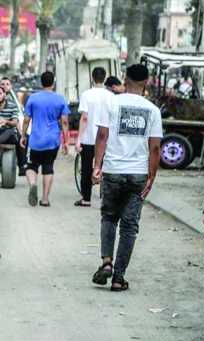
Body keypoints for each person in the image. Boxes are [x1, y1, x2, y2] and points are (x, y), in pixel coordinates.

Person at [91, 64, 162, 292]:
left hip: (113, 170)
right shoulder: (153, 110)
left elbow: (102, 135)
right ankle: (119, 278)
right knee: (130, 227)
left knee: (109, 217)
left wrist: (97, 166)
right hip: (138, 174)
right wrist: (151, 176)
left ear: (125, 79)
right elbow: (155, 148)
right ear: (147, 82)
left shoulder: (111, 102)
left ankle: (106, 262)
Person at [20, 71, 70, 207]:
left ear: (41, 83)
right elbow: (64, 122)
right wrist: (66, 141)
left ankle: (33, 184)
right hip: (52, 140)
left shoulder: (33, 98)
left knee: (31, 166)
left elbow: (26, 120)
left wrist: (23, 135)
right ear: (53, 82)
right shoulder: (60, 99)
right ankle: (45, 199)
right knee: (48, 167)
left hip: (36, 140)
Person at [75, 67, 113, 207]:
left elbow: (84, 118)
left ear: (92, 78)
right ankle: (105, 197)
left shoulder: (86, 94)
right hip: (105, 140)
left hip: (88, 138)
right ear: (104, 78)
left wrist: (78, 139)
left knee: (86, 169)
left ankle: (86, 199)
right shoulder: (111, 96)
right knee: (105, 167)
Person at [0, 77, 27, 175]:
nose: (5, 86)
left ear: (10, 86)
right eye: (2, 84)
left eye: (7, 84)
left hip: (10, 127)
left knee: (22, 139)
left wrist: (20, 132)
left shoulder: (13, 98)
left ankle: (22, 165)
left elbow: (18, 116)